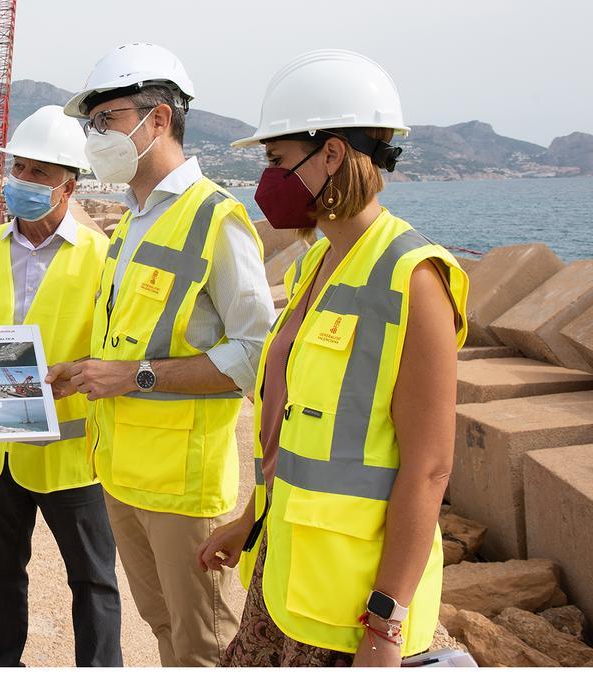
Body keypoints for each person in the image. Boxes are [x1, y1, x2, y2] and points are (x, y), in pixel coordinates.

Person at [195, 49, 469, 667]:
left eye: (276, 160)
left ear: (333, 154)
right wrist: (251, 523)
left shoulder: (415, 278)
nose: (267, 179)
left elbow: (429, 469)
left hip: (352, 612)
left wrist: (386, 626)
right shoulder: (317, 262)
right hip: (286, 577)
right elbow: (297, 429)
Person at [48, 43, 275, 667]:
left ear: (158, 120)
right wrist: (86, 372)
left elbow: (257, 352)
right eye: (91, 124)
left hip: (181, 488)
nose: (96, 136)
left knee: (202, 643)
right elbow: (133, 341)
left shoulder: (215, 219)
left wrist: (136, 377)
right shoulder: (131, 222)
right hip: (121, 477)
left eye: (107, 119)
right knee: (163, 629)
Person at [0, 105, 121, 667]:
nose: (21, 180)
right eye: (18, 167)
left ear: (68, 186)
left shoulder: (103, 259)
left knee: (94, 584)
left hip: (71, 456)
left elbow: (116, 350)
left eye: (38, 173)